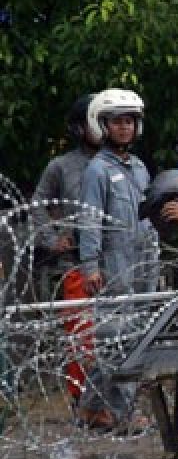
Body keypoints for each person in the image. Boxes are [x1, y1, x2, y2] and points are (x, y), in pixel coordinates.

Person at [78, 88, 159, 431]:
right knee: (114, 337)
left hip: (144, 260)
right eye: (117, 122)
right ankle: (108, 409)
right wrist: (90, 265)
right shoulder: (97, 170)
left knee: (136, 335)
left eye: (130, 121)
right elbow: (90, 219)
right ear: (103, 126)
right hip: (114, 263)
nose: (124, 128)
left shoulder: (139, 168)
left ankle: (106, 409)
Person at [31, 94, 97, 404]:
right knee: (81, 332)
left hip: (118, 258)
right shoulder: (62, 166)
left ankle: (114, 399)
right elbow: (38, 204)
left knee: (117, 331)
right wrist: (53, 238)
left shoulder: (126, 165)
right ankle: (83, 399)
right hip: (77, 262)